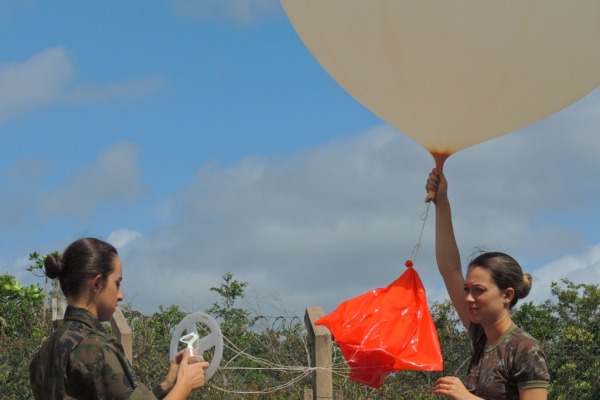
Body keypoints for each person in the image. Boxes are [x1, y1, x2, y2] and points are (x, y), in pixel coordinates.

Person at [29, 237, 210, 399]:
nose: (121, 295)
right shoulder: (98, 349)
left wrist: (167, 385)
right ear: (97, 283)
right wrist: (185, 385)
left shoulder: (45, 351)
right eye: (117, 283)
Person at [426, 169, 549, 400]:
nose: (469, 298)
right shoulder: (481, 335)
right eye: (467, 290)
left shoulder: (525, 349)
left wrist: (466, 397)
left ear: (507, 295)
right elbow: (450, 270)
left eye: (479, 291)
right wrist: (441, 203)